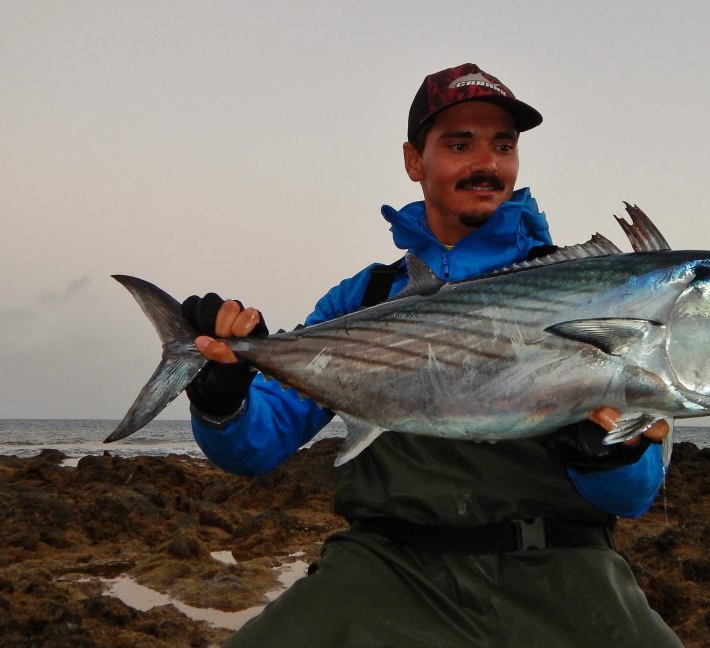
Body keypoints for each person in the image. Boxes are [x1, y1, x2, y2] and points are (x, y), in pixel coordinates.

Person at [183, 63, 683, 647]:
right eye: (459, 144)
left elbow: (634, 495)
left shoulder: (591, 284)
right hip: (384, 568)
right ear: (413, 161)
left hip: (558, 566)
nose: (486, 164)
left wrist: (607, 456)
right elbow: (259, 444)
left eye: (503, 145)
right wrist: (225, 398)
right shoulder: (363, 298)